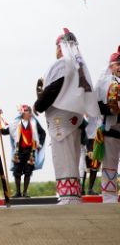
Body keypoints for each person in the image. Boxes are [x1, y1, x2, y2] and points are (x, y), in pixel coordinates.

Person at [33, 28, 100, 205]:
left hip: (60, 122)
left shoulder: (63, 64)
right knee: (72, 156)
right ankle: (72, 196)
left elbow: (52, 89)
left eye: (57, 46)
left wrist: (38, 105)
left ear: (60, 47)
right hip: (73, 120)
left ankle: (68, 198)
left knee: (63, 158)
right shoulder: (79, 67)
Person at [0, 105, 46, 198]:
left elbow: (42, 133)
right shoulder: (15, 124)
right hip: (18, 151)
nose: (29, 113)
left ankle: (25, 192)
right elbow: (5, 131)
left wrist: (39, 145)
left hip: (30, 151)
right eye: (26, 111)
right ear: (22, 113)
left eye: (29, 111)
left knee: (28, 171)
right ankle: (18, 192)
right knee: (17, 171)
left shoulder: (33, 123)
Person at [94, 45, 120, 203]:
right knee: (110, 164)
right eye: (118, 64)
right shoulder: (103, 83)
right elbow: (96, 106)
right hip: (111, 130)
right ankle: (109, 198)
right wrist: (112, 109)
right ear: (110, 66)